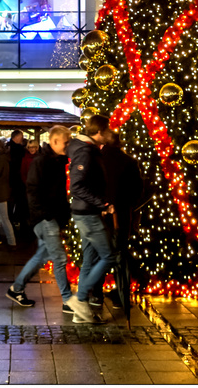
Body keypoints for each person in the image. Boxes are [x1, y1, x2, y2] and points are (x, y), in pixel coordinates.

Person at [7, 125, 72, 309]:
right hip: (45, 217)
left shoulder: (58, 160)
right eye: (65, 142)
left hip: (49, 216)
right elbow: (33, 190)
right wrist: (44, 215)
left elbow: (58, 193)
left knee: (41, 256)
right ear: (55, 141)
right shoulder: (42, 161)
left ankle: (17, 289)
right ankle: (68, 300)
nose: (67, 145)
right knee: (59, 258)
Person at [66, 114, 116, 323]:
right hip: (88, 213)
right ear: (99, 132)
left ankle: (81, 311)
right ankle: (80, 298)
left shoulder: (88, 150)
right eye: (108, 129)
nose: (111, 133)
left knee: (90, 259)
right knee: (109, 256)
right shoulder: (86, 152)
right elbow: (77, 185)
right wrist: (102, 204)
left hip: (87, 211)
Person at [91, 129, 144, 308]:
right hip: (121, 215)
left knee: (99, 255)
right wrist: (126, 204)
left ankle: (96, 294)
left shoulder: (95, 159)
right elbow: (137, 190)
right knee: (120, 254)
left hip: (99, 215)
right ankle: (121, 295)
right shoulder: (129, 162)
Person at [7, 129, 27, 231]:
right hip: (18, 180)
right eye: (21, 136)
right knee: (20, 202)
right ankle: (17, 222)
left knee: (10, 204)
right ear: (17, 137)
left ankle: (11, 222)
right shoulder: (19, 149)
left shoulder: (7, 147)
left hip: (9, 180)